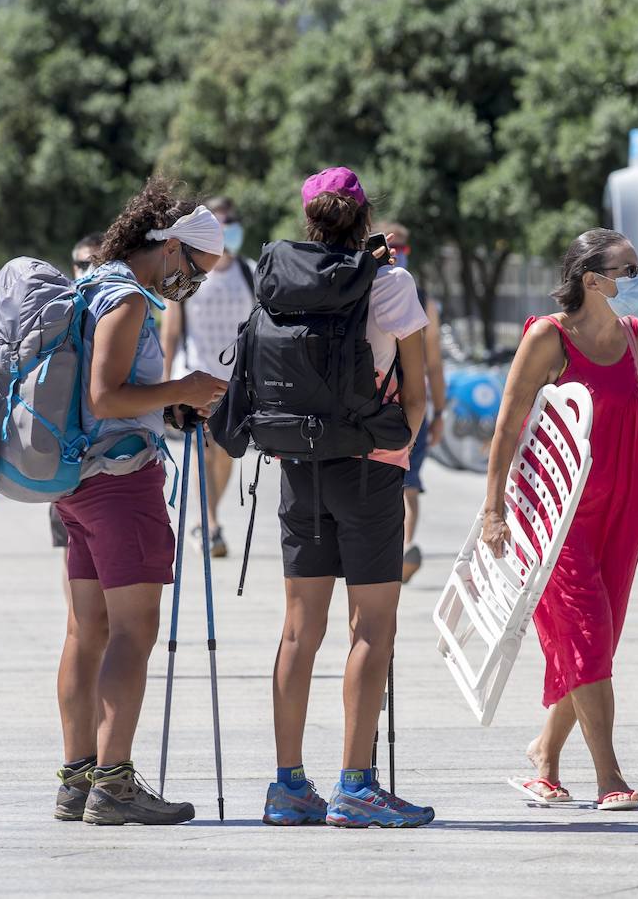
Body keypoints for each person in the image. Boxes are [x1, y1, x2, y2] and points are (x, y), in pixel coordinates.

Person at [52, 178, 229, 825]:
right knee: (133, 631)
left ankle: (77, 778)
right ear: (171, 244)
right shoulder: (127, 300)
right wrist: (182, 385)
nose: (193, 285)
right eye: (193, 269)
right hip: (121, 486)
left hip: (75, 482)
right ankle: (115, 783)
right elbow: (105, 397)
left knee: (85, 631)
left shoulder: (93, 284)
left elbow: (107, 397)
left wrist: (167, 405)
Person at [263, 167, 433, 828]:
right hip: (370, 468)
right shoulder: (390, 282)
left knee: (300, 630)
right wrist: (400, 444)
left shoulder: (284, 282)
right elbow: (414, 391)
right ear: (365, 218)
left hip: (299, 465)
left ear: (310, 220)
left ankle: (287, 787)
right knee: (373, 627)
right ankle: (357, 787)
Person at [482, 228, 638, 811]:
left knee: (596, 644)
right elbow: (507, 427)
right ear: (593, 280)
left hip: (623, 508)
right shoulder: (549, 337)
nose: (637, 279)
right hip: (556, 513)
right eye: (627, 270)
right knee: (586, 639)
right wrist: (493, 510)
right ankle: (609, 775)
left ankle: (544, 754)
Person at [161, 196, 257, 558]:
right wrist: (167, 384)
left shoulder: (250, 271)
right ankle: (210, 522)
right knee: (203, 451)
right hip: (194, 377)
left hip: (237, 383)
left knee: (225, 455)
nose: (229, 227)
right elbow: (170, 332)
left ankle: (207, 519)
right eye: (221, 222)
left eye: (232, 221)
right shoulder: (190, 273)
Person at [371, 221, 447, 584]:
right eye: (391, 246)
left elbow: (433, 362)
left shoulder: (423, 298)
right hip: (377, 404)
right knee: (392, 480)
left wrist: (440, 412)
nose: (397, 253)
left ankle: (403, 549)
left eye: (404, 248)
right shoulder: (363, 286)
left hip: (412, 403)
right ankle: (390, 550)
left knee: (410, 481)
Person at [50, 232, 106, 554]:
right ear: (73, 266)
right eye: (84, 263)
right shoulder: (60, 312)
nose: (90, 269)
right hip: (64, 451)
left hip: (98, 451)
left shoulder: (111, 308)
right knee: (71, 546)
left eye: (97, 262)